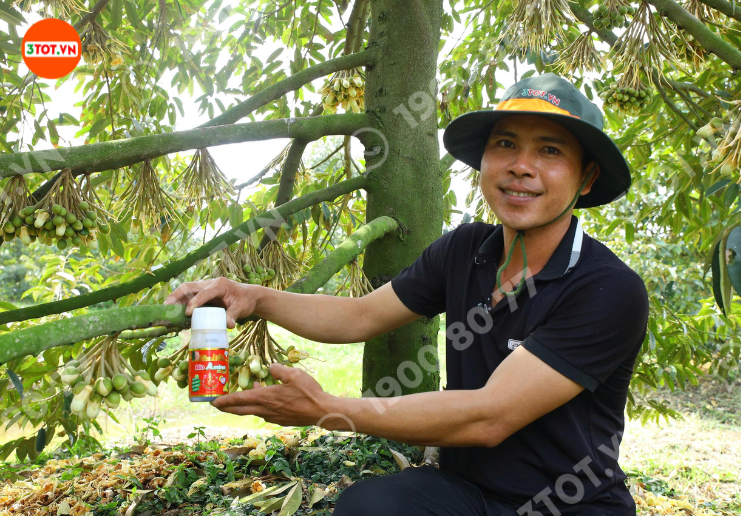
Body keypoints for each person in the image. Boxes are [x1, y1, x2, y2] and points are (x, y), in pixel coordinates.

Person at [164, 73, 649, 516]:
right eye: (505, 144)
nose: (521, 166)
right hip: (469, 495)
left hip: (573, 507)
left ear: (586, 178)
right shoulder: (465, 249)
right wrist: (253, 296)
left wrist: (328, 410)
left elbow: (489, 417)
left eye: (550, 151)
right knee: (369, 507)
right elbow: (358, 317)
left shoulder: (608, 288)